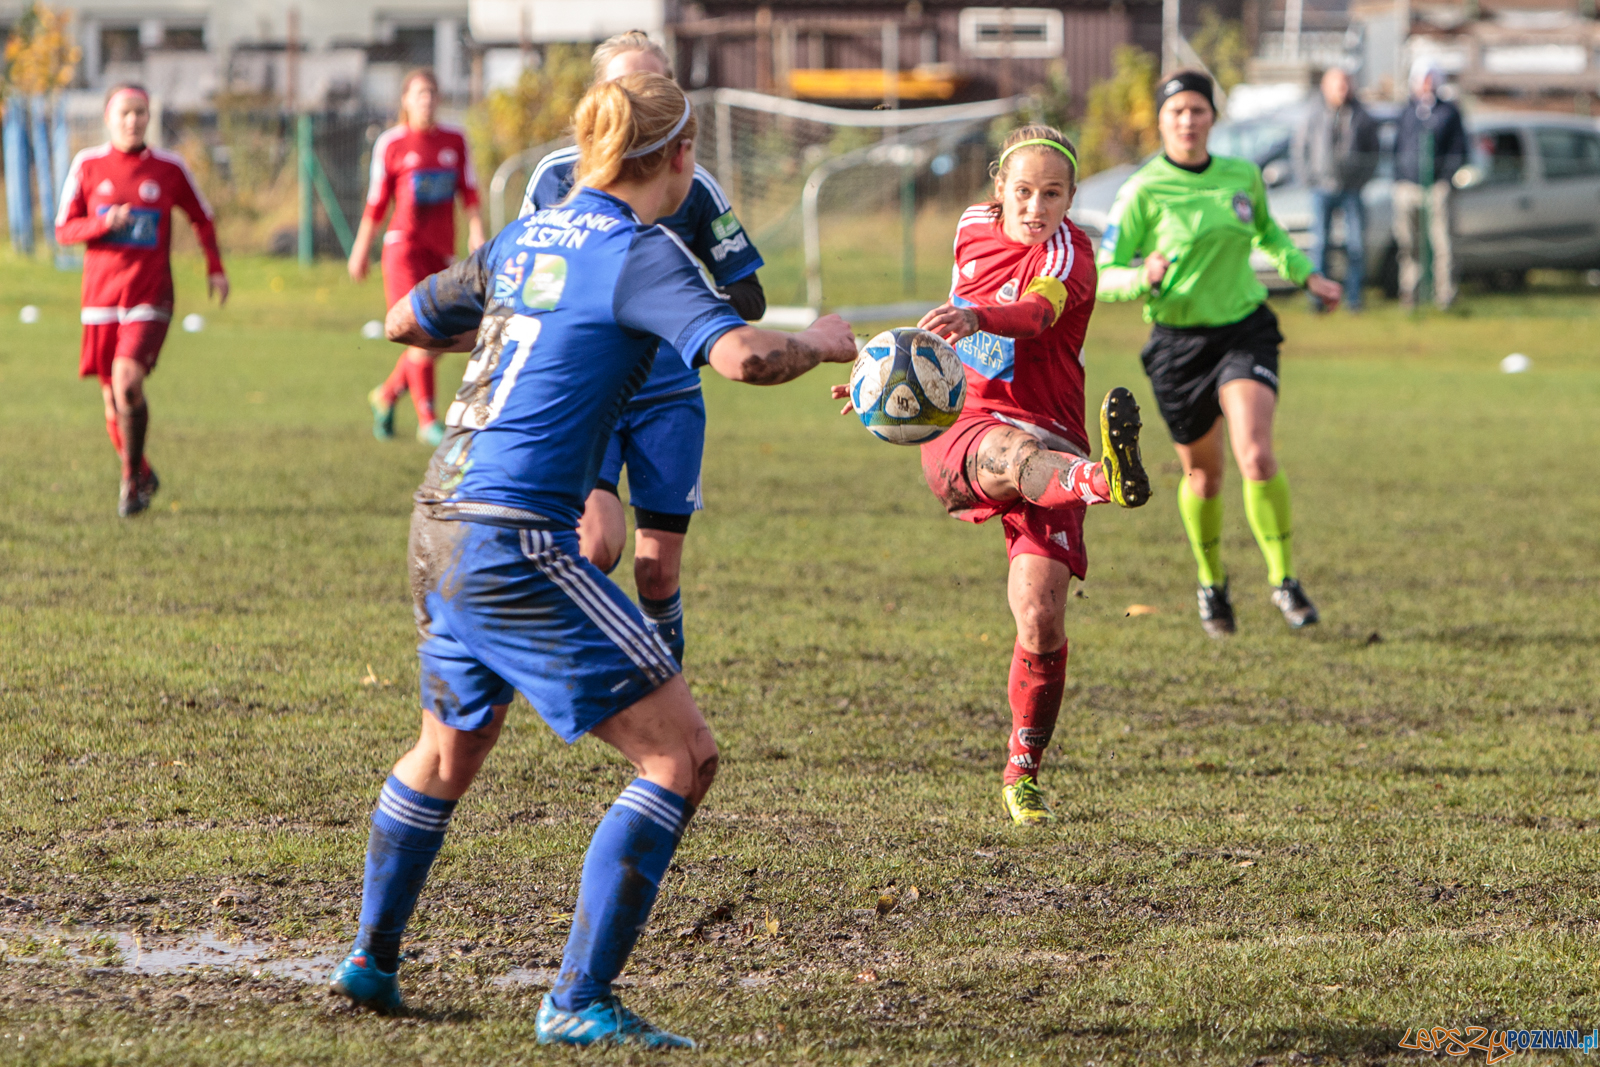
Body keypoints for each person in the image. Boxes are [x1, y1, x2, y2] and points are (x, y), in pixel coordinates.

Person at [325, 71, 858, 1048]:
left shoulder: (529, 235)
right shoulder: (638, 248)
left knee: (448, 747)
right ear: (682, 160)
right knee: (681, 754)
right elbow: (740, 354)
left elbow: (406, 318)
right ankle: (578, 999)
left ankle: (371, 956)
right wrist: (823, 343)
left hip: (439, 512)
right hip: (515, 538)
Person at [834, 125, 1151, 826]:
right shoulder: (970, 227)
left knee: (1038, 617)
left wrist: (978, 312)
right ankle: (1104, 480)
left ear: (1070, 197)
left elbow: (1035, 316)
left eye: (1054, 193)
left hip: (1055, 434)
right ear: (998, 190)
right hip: (969, 426)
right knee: (1009, 454)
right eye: (1024, 191)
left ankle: (1022, 771)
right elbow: (944, 329)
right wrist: (880, 380)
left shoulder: (1072, 254)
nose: (1037, 207)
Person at [518, 30, 766, 665]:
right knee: (596, 544)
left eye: (658, 89)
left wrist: (676, 314)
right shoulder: (555, 179)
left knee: (657, 574)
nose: (642, 102)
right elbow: (523, 280)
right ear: (602, 96)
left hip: (666, 398)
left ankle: (663, 687)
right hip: (591, 395)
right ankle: (595, 676)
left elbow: (750, 295)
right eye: (629, 88)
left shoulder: (691, 183)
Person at [1096, 71, 1342, 637]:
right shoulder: (1142, 190)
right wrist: (1141, 276)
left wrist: (1307, 276)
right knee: (1203, 477)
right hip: (1178, 347)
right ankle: (1212, 584)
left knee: (1254, 454)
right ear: (1161, 119)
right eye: (1176, 110)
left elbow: (1270, 236)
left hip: (1243, 331)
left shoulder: (1241, 176)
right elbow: (1103, 274)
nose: (1187, 120)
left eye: (1198, 110)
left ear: (1212, 117)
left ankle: (1284, 579)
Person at [55, 83, 228, 517]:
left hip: (150, 296)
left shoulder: (169, 168)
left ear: (149, 117)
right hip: (100, 301)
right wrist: (101, 223)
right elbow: (63, 229)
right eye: (125, 113)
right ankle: (143, 472)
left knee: (127, 381)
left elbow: (202, 216)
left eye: (141, 112)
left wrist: (215, 266)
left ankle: (129, 481)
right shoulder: (88, 165)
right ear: (108, 118)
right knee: (113, 401)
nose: (133, 120)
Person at [351, 68, 484, 446]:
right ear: (406, 100)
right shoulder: (391, 143)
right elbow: (377, 202)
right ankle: (427, 419)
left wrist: (476, 230)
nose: (426, 99)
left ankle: (387, 394)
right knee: (420, 331)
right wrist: (362, 249)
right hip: (403, 249)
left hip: (441, 252)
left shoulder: (455, 140)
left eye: (432, 93)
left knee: (448, 332)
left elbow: (470, 193)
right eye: (419, 93)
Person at [1294, 67, 1378, 312]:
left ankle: (1354, 300)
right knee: (1320, 245)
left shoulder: (1361, 115)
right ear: (1326, 87)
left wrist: (1361, 180)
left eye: (1346, 84)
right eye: (1337, 84)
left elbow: (1374, 152)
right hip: (1322, 188)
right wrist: (1309, 179)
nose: (1343, 89)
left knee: (1355, 245)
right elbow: (1300, 149)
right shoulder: (1313, 114)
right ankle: (1319, 300)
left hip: (1352, 189)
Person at [1393, 63, 1467, 311]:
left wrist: (1445, 177)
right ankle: (1410, 294)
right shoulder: (1407, 110)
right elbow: (1398, 146)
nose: (1425, 84)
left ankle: (1444, 295)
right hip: (1408, 185)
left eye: (1429, 79)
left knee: (1442, 243)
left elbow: (1458, 149)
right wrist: (1400, 176)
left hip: (1437, 186)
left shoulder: (1449, 112)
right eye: (1421, 79)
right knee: (1408, 243)